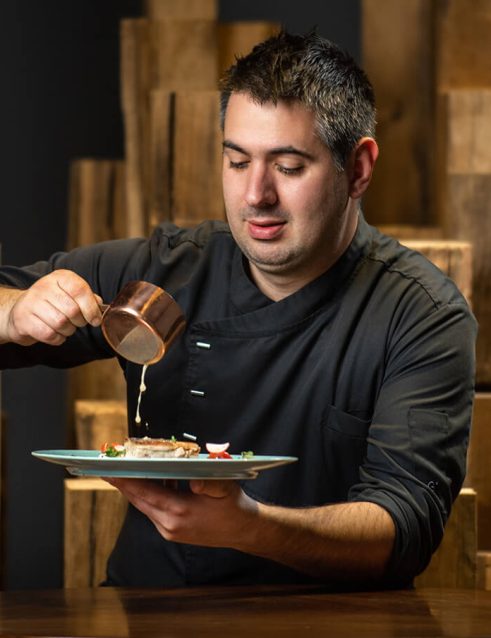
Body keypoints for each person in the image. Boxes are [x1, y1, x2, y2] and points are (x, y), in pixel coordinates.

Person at [0, 30, 476, 589]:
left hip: (334, 624)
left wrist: (249, 528)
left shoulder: (421, 313)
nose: (255, 195)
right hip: (153, 616)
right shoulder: (165, 271)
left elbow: (405, 528)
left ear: (359, 169)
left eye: (289, 166)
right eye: (236, 160)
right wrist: (13, 314)